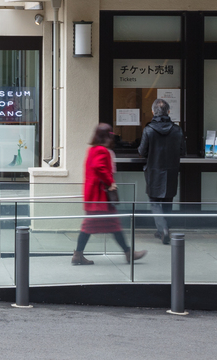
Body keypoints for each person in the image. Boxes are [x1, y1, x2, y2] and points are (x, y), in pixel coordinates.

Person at [73, 123, 145, 266]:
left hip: (95, 196)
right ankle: (127, 253)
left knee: (109, 225)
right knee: (98, 226)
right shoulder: (102, 151)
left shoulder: (92, 149)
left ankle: (127, 252)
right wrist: (110, 182)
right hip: (100, 196)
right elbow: (99, 167)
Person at [139, 99, 184, 244]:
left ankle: (163, 229)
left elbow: (142, 151)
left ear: (153, 112)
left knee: (155, 202)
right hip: (171, 171)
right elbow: (183, 151)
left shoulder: (149, 130)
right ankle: (163, 230)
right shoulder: (177, 130)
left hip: (154, 170)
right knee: (167, 202)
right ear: (169, 112)